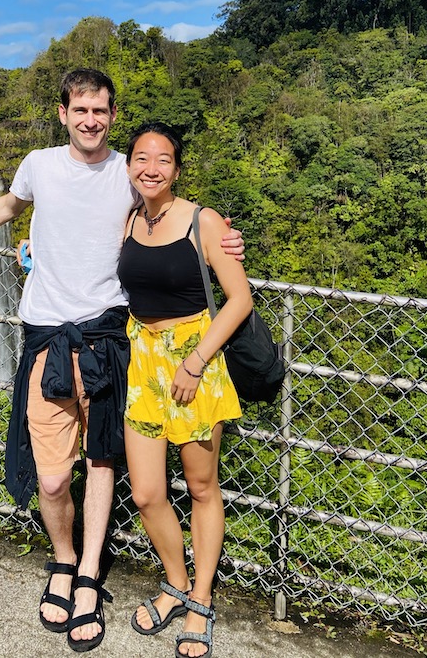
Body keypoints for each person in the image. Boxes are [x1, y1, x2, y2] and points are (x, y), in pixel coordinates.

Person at [0, 70, 245, 652]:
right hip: (59, 339)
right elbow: (11, 207)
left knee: (113, 465)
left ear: (112, 116)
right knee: (70, 477)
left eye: (101, 110)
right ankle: (71, 563)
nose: (91, 119)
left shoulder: (127, 173)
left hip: (116, 342)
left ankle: (103, 576)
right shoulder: (42, 165)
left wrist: (224, 235)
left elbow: (176, 216)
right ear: (63, 112)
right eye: (81, 109)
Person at [117, 121, 253, 658]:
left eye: (163, 160)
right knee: (147, 492)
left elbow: (239, 299)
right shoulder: (129, 218)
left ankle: (200, 598)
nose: (151, 168)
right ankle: (175, 582)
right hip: (142, 362)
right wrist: (32, 245)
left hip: (195, 361)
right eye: (142, 158)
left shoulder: (203, 220)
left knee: (200, 486)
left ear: (176, 168)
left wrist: (196, 362)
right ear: (130, 165)